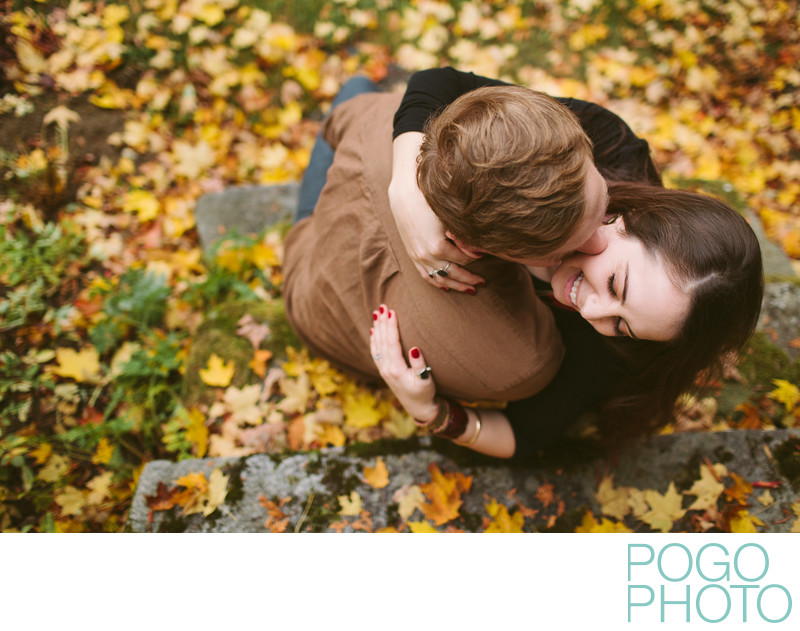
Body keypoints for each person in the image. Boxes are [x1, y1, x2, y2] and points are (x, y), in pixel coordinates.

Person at [283, 69, 763, 459]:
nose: (594, 313)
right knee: (366, 104)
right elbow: (446, 85)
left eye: (624, 325)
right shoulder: (608, 148)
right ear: (630, 220)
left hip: (321, 250)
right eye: (616, 286)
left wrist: (431, 413)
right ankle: (355, 93)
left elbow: (527, 434)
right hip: (358, 161)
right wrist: (406, 189)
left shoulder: (600, 353)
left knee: (343, 152)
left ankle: (348, 116)